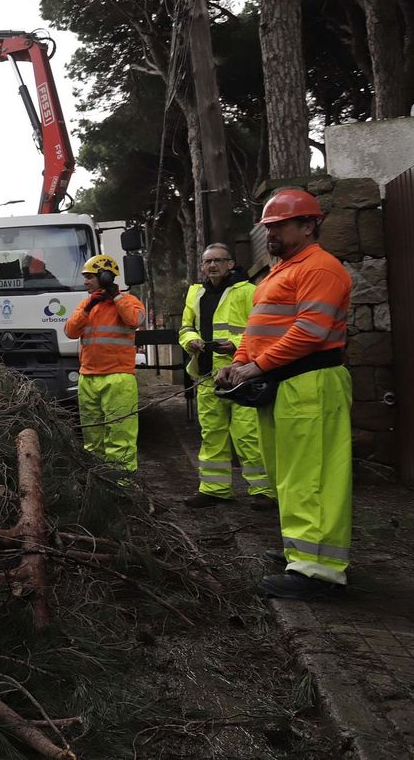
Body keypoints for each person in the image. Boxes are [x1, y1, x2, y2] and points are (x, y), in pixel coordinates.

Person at [216, 188, 353, 600]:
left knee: (312, 476)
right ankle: (301, 553)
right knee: (290, 476)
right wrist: (238, 362)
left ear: (308, 225)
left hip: (309, 382)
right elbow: (257, 329)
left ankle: (319, 574)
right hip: (286, 384)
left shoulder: (321, 269)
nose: (270, 234)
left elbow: (310, 333)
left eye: (279, 227)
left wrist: (254, 366)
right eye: (268, 227)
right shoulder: (281, 271)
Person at [178, 244, 274, 510]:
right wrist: (191, 341)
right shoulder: (195, 293)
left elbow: (261, 329)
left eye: (218, 260)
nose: (212, 266)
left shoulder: (248, 292)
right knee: (212, 434)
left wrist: (233, 344)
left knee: (248, 435)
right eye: (207, 261)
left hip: (241, 373)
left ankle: (264, 490)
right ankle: (214, 488)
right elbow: (185, 327)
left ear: (231, 264)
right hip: (207, 374)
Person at [64, 254, 146, 471]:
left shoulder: (129, 301)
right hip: (88, 378)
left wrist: (116, 298)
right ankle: (100, 483)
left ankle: (124, 486)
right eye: (85, 276)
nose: (85, 281)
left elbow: (134, 321)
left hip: (118, 378)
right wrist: (89, 307)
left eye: (90, 276)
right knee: (93, 438)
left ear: (106, 276)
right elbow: (70, 331)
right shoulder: (87, 304)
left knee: (120, 436)